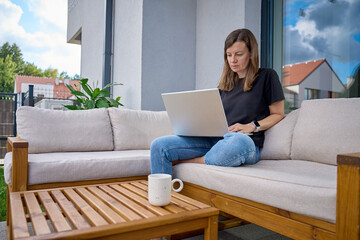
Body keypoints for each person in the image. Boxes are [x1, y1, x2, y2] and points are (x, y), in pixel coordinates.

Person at [150, 28, 285, 175]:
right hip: (213, 140)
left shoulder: (267, 76)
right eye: (229, 55)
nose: (233, 60)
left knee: (239, 142)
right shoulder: (224, 85)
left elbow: (278, 114)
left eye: (239, 54)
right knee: (159, 145)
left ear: (251, 53)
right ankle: (161, 196)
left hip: (244, 142)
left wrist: (252, 126)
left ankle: (190, 161)